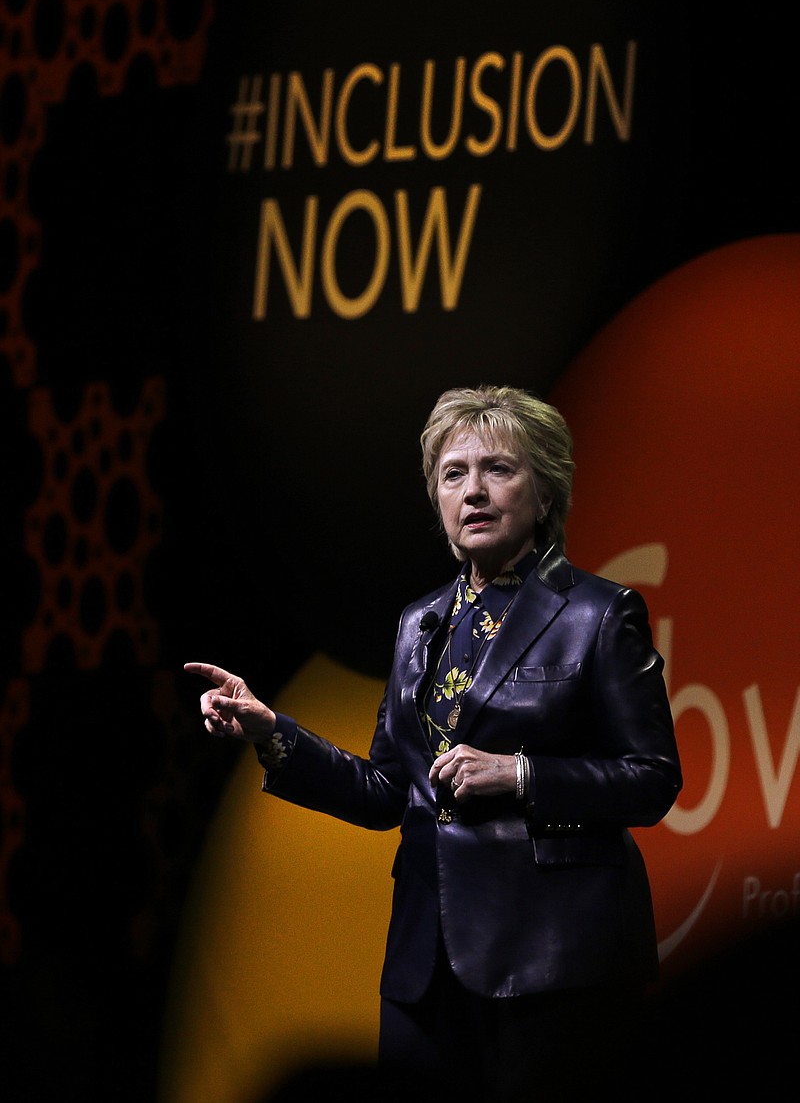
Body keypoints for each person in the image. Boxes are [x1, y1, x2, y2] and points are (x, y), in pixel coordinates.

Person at [185, 384, 682, 1102]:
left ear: (544, 495)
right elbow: (387, 792)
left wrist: (519, 774)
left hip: (552, 961)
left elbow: (652, 776)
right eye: (454, 473)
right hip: (426, 962)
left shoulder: (600, 614)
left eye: (498, 469)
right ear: (437, 500)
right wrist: (273, 734)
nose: (473, 490)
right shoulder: (419, 624)